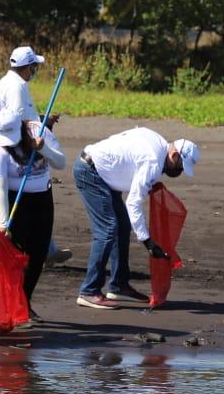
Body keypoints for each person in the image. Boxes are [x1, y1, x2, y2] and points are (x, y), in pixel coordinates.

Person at [73, 127, 199, 309]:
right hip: (91, 172)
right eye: (179, 166)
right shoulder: (154, 162)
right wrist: (147, 241)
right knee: (107, 229)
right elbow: (133, 203)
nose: (178, 172)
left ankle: (119, 286)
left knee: (122, 227)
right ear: (174, 154)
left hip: (103, 173)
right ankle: (89, 291)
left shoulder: (158, 142)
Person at [0, 45, 73, 268]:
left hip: (10, 141)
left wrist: (41, 120)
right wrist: (39, 128)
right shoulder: (18, 87)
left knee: (5, 197)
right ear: (28, 67)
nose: (34, 71)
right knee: (11, 196)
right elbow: (19, 119)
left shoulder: (7, 82)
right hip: (14, 147)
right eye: (34, 67)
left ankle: (45, 249)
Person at [0, 118, 65, 324]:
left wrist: (44, 150)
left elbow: (61, 163)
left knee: (38, 254)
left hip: (42, 197)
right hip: (16, 199)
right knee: (17, 254)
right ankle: (14, 305)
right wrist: (3, 223)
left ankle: (25, 302)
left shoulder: (38, 132)